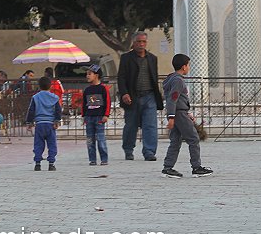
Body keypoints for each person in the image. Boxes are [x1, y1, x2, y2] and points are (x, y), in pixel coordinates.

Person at [161, 54, 213, 178]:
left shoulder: (172, 79)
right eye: (188, 65)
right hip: (178, 114)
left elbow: (177, 99)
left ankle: (168, 168)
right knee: (193, 138)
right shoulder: (178, 80)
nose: (189, 67)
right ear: (184, 66)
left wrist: (184, 112)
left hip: (179, 112)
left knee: (175, 141)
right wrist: (172, 117)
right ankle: (196, 167)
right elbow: (173, 98)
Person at [117, 32, 162, 161]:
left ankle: (149, 151)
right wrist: (124, 93)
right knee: (131, 125)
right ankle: (128, 149)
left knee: (150, 125)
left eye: (144, 41)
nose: (141, 44)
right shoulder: (126, 58)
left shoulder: (152, 58)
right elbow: (121, 77)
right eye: (139, 41)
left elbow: (154, 77)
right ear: (134, 42)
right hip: (133, 96)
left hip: (149, 96)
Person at [26, 76, 62, 171]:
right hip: (50, 124)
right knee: (52, 144)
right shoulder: (55, 98)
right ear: (50, 86)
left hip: (39, 124)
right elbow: (58, 111)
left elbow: (31, 110)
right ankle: (51, 164)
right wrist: (57, 121)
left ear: (39, 86)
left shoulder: (35, 97)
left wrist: (29, 122)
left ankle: (37, 164)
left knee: (38, 144)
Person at [82, 64, 110, 165]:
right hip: (89, 117)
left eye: (90, 74)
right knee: (90, 140)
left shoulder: (103, 88)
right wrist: (84, 116)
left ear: (96, 75)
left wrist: (106, 115)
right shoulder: (87, 90)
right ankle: (92, 159)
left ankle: (104, 159)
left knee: (100, 138)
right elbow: (84, 104)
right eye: (87, 74)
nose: (87, 76)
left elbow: (107, 102)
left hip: (99, 117)